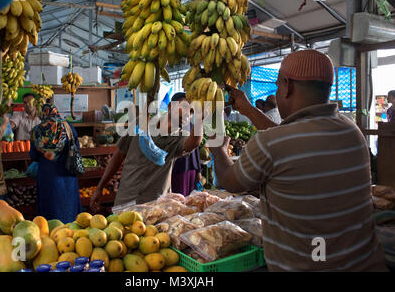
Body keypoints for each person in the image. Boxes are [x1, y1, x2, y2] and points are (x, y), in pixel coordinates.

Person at [210, 49, 387, 271]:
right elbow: (287, 141)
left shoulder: (272, 143)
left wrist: (218, 150)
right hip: (365, 263)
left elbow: (229, 181)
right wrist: (248, 110)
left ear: (288, 85)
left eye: (277, 85)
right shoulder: (351, 131)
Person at [90, 97, 204, 210]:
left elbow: (193, 143)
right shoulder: (141, 123)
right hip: (126, 199)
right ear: (170, 106)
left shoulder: (179, 137)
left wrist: (200, 119)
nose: (187, 114)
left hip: (155, 207)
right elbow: (118, 156)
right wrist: (100, 187)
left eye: (192, 112)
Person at [30, 104, 82, 223]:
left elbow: (33, 155)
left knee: (48, 209)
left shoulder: (36, 130)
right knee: (69, 206)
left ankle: (51, 236)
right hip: (67, 173)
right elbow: (77, 148)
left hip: (47, 175)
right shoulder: (68, 127)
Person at [170, 93, 202, 196]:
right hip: (176, 170)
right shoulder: (168, 127)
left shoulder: (191, 126)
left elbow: (196, 149)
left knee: (189, 201)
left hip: (191, 169)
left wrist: (198, 170)